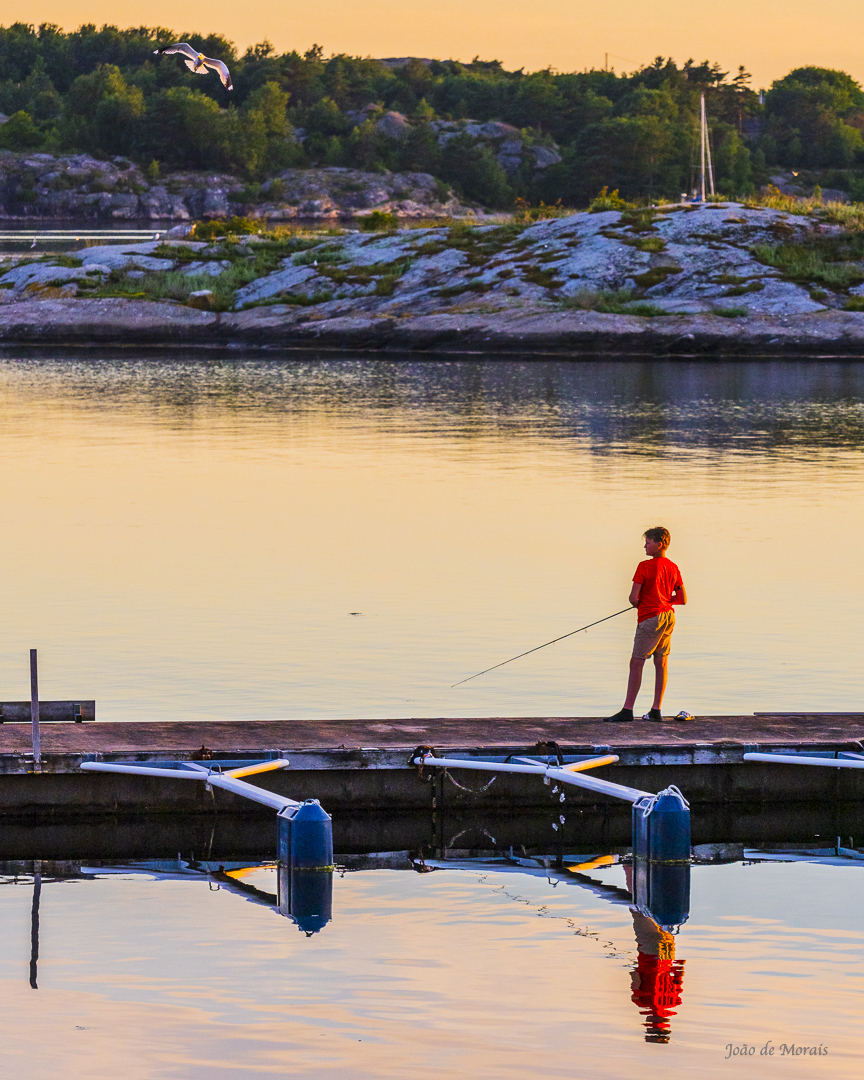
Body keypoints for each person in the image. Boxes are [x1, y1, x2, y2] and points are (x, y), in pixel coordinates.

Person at [605, 527, 686, 722]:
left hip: (650, 618)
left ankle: (627, 710)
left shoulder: (644, 566)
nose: (645, 546)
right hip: (668, 617)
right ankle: (656, 710)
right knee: (661, 662)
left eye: (648, 542)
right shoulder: (673, 567)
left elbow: (633, 598)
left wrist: (647, 603)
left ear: (659, 544)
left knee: (637, 662)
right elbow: (682, 598)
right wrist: (664, 601)